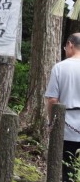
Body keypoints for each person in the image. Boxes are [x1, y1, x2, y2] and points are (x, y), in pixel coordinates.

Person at [45, 32, 80, 182]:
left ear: (70, 45)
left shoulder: (60, 67)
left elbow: (53, 99)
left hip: (66, 129)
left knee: (68, 170)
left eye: (65, 46)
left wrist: (50, 122)